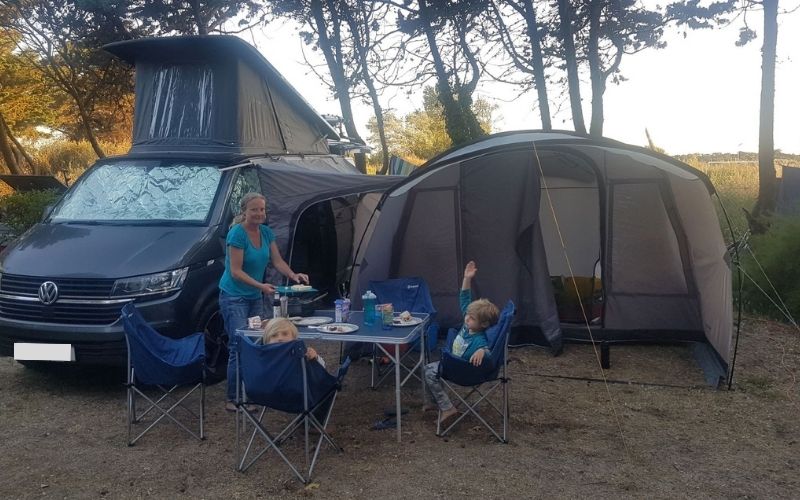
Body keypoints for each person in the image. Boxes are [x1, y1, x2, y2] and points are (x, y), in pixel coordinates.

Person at [220, 192, 309, 412]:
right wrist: (261, 287)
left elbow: (277, 261)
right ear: (245, 211)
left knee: (259, 342)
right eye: (255, 209)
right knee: (238, 345)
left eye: (262, 209)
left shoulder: (267, 233)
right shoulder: (237, 234)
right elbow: (235, 271)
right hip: (234, 297)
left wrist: (293, 275)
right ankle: (233, 398)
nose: (259, 213)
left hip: (254, 297)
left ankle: (254, 391)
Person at [423, 260, 499, 427]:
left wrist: (482, 352)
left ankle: (447, 407)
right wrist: (467, 278)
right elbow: (465, 297)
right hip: (454, 365)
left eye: (471, 318)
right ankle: (433, 403)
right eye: (467, 315)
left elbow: (486, 352)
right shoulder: (469, 324)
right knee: (428, 369)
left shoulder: (479, 339)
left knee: (429, 372)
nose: (466, 318)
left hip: (462, 371)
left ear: (484, 324)